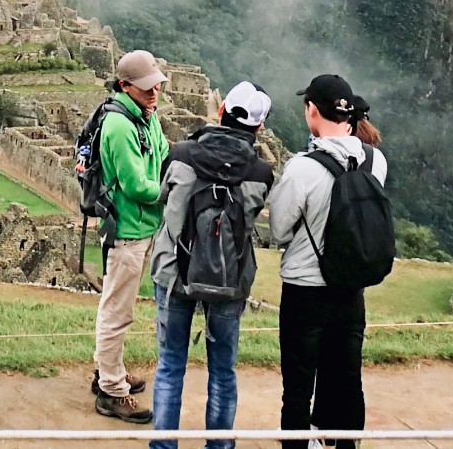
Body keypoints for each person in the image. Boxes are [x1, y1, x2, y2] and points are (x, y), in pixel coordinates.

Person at [147, 82, 275, 449]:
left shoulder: (181, 155)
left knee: (171, 365)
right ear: (258, 128)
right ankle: (219, 446)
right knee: (222, 370)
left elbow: (162, 197)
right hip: (229, 278)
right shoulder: (261, 173)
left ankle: (164, 446)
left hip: (175, 271)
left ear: (220, 112)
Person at [268, 73, 387, 448]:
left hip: (306, 291)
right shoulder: (375, 160)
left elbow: (279, 230)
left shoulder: (302, 168)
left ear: (311, 111)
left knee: (299, 388)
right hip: (351, 289)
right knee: (347, 381)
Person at [91, 49, 168, 423]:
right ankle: (111, 392)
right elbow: (136, 184)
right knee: (116, 311)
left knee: (120, 307)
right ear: (125, 86)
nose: (154, 93)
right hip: (125, 230)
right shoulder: (120, 125)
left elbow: (164, 154)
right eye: (146, 88)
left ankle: (109, 372)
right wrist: (169, 190)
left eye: (156, 86)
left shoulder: (147, 116)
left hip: (143, 227)